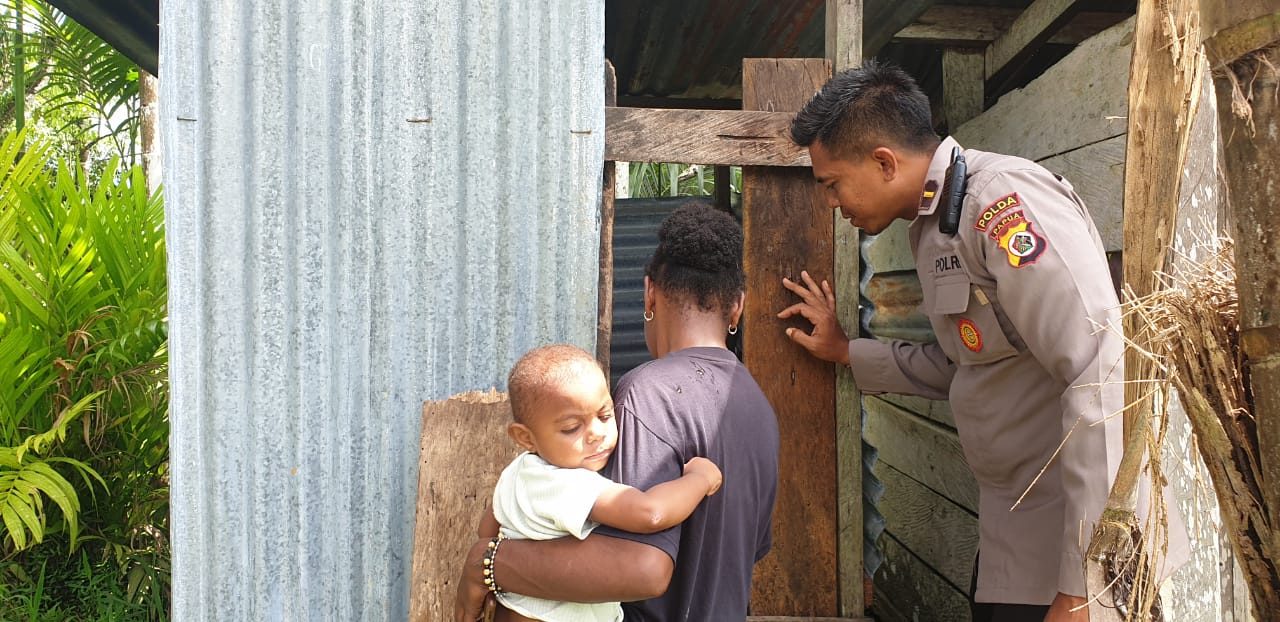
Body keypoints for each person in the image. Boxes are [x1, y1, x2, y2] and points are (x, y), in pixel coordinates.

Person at [777, 61, 1187, 622]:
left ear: (884, 162)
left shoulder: (1001, 204)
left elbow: (1102, 369)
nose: (831, 202)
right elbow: (972, 365)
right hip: (1013, 535)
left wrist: (1086, 585)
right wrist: (847, 351)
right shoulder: (934, 223)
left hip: (1073, 548)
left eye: (831, 183)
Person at [454, 203, 780, 622]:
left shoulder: (650, 392)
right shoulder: (759, 409)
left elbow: (643, 569)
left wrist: (488, 563)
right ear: (737, 307)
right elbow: (741, 555)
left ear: (649, 293)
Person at [478, 343, 723, 622]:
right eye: (572, 428)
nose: (596, 433)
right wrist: (699, 478)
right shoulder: (564, 483)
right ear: (525, 438)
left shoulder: (516, 473)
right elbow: (650, 513)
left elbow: (487, 531)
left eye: (605, 415)